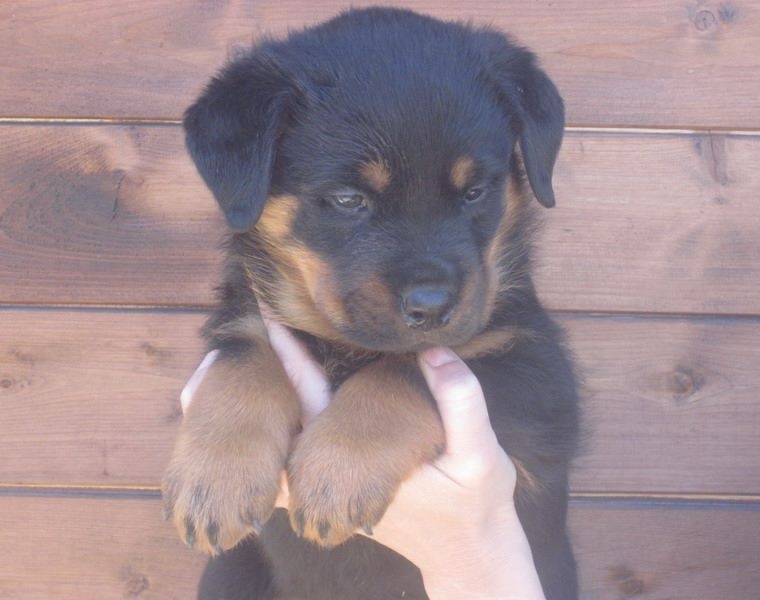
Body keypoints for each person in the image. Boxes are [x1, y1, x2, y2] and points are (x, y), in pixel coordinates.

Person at [181, 316, 547, 600]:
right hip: (285, 581)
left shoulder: (505, 339)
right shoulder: (267, 306)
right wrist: (234, 421)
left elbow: (536, 408)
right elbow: (246, 339)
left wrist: (390, 411)